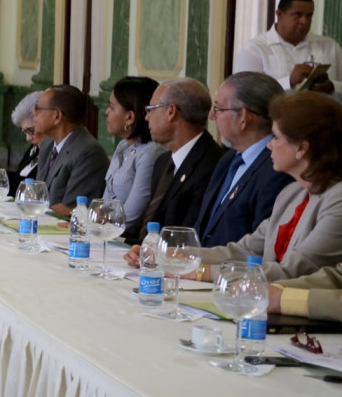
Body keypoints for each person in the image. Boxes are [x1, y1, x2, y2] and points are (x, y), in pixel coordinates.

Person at [127, 92, 342, 282]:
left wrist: (201, 272)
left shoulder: (337, 199)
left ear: (302, 148)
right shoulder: (291, 194)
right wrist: (166, 253)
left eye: (276, 137)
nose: (269, 145)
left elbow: (297, 270)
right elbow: (243, 250)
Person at [195, 72, 294, 247]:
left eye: (218, 109)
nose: (212, 116)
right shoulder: (228, 159)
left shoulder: (277, 169)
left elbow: (262, 245)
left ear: (244, 117)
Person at [132, 77, 224, 240]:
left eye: (151, 109)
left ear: (171, 111)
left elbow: (188, 236)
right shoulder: (162, 162)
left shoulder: (212, 164)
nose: (147, 117)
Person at [232, 0, 342, 93]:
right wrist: (288, 82)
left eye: (309, 16)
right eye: (297, 15)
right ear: (279, 14)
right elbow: (244, 92)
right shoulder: (255, 49)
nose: (304, 21)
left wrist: (331, 86)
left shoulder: (330, 46)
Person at [32, 85, 109, 215]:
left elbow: (71, 210)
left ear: (57, 116)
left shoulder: (88, 153)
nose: (34, 113)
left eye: (38, 109)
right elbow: (37, 197)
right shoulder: (48, 144)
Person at [102, 76, 161, 232]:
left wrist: (99, 221)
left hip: (127, 239)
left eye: (112, 107)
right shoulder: (122, 146)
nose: (106, 111)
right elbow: (103, 203)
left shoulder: (149, 153)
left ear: (130, 117)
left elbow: (130, 218)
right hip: (106, 231)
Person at [7, 90, 44, 195]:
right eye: (25, 132)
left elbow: (36, 189)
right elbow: (20, 177)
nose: (28, 138)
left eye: (31, 130)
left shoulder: (57, 153)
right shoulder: (35, 148)